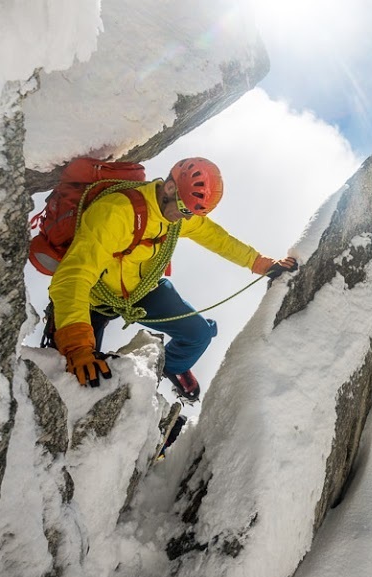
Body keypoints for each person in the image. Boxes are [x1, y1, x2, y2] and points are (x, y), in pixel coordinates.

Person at [47, 157, 296, 400]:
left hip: (143, 290)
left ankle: (172, 365)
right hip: (91, 300)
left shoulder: (176, 215)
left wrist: (262, 264)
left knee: (199, 334)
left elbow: (217, 238)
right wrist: (78, 347)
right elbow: (74, 277)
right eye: (186, 210)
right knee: (73, 382)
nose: (187, 218)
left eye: (194, 213)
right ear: (169, 187)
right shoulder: (116, 213)